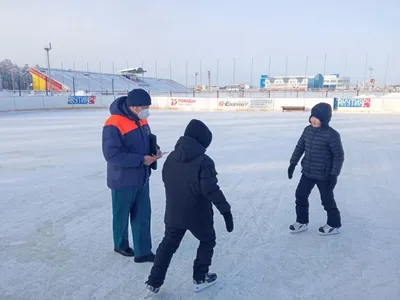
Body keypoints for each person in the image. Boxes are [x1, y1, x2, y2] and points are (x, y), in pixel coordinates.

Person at [143, 119, 233, 298]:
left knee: (168, 244)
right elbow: (211, 191)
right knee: (207, 240)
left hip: (174, 212)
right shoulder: (204, 161)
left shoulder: (171, 158)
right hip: (198, 214)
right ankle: (200, 278)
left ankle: (153, 282)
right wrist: (226, 211)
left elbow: (168, 182)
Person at [102, 88, 162, 262]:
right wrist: (141, 160)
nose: (146, 110)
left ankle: (143, 251)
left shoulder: (141, 120)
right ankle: (120, 244)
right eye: (144, 106)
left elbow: (147, 141)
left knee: (143, 215)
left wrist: (154, 151)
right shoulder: (113, 123)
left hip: (142, 176)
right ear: (133, 106)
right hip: (122, 180)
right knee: (121, 215)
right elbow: (112, 155)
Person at [287, 102, 344, 235]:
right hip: (307, 172)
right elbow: (300, 147)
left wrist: (333, 175)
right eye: (312, 116)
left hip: (324, 175)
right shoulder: (307, 130)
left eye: (317, 117)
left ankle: (334, 224)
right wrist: (292, 163)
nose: (313, 119)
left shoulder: (332, 135)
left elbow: (338, 156)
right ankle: (302, 222)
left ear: (324, 119)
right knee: (300, 195)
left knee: (327, 200)